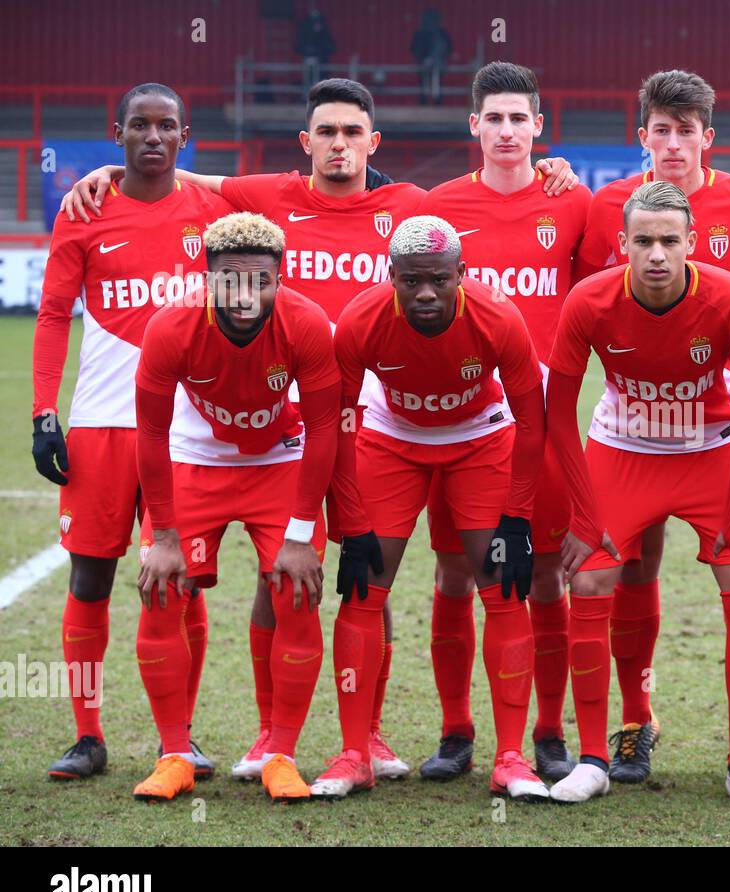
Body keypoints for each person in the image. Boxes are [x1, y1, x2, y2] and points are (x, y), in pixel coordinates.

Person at [59, 78, 577, 782]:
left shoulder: (414, 210)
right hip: (309, 424)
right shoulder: (268, 201)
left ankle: (381, 735)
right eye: (326, 132)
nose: (339, 144)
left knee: (394, 575)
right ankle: (273, 736)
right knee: (321, 579)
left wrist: (550, 167)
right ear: (307, 142)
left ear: (373, 142)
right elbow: (170, 164)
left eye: (352, 132)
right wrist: (114, 169)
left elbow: (493, 189)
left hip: (361, 424)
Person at [574, 69, 730, 782]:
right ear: (642, 138)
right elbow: (566, 278)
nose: (674, 143)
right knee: (630, 569)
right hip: (627, 431)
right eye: (662, 129)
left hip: (712, 432)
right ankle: (634, 717)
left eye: (687, 130)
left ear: (706, 137)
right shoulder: (604, 208)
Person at [546, 181, 730, 806]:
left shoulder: (729, 298)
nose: (656, 254)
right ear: (621, 244)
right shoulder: (589, 301)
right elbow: (557, 412)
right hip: (625, 446)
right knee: (593, 578)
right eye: (643, 241)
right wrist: (581, 510)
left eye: (669, 241)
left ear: (692, 244)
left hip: (713, 447)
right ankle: (596, 756)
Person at [33, 83, 231, 782]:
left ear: (186, 136)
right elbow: (55, 314)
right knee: (90, 576)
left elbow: (327, 191)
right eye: (139, 125)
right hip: (103, 426)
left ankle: (181, 738)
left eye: (166, 125)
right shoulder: (85, 209)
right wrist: (43, 412)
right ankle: (88, 737)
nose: (153, 136)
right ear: (116, 132)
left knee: (180, 587)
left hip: (188, 432)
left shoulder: (214, 209)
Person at [318, 215, 548, 800]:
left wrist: (518, 518)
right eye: (413, 280)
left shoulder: (498, 317)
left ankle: (512, 758)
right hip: (391, 438)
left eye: (439, 281)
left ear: (461, 276)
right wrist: (349, 515)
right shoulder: (360, 321)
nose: (426, 293)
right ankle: (354, 754)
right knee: (363, 588)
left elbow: (532, 422)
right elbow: (339, 424)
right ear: (390, 275)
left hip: (480, 439)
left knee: (503, 587)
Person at [414, 61, 592, 783]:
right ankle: (456, 730)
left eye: (521, 118)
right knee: (454, 570)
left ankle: (548, 731)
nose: (509, 131)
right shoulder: (439, 208)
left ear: (539, 126)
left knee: (541, 573)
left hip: (537, 421)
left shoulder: (572, 202)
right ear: (475, 126)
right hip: (454, 421)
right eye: (496, 118)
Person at [131, 212, 341, 804]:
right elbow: (149, 433)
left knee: (297, 594)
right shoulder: (171, 326)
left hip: (279, 465)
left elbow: (325, 428)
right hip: (195, 464)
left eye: (261, 281)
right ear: (207, 279)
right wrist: (164, 535)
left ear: (282, 277)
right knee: (162, 591)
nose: (245, 296)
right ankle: (174, 753)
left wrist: (301, 535)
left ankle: (280, 753)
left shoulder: (306, 323)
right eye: (230, 281)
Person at [411, 9, 452, 105]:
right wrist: (422, 58)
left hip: (437, 63)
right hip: (427, 62)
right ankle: (426, 101)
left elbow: (448, 48)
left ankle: (434, 102)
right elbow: (415, 48)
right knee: (427, 83)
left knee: (435, 83)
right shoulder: (422, 33)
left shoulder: (440, 34)